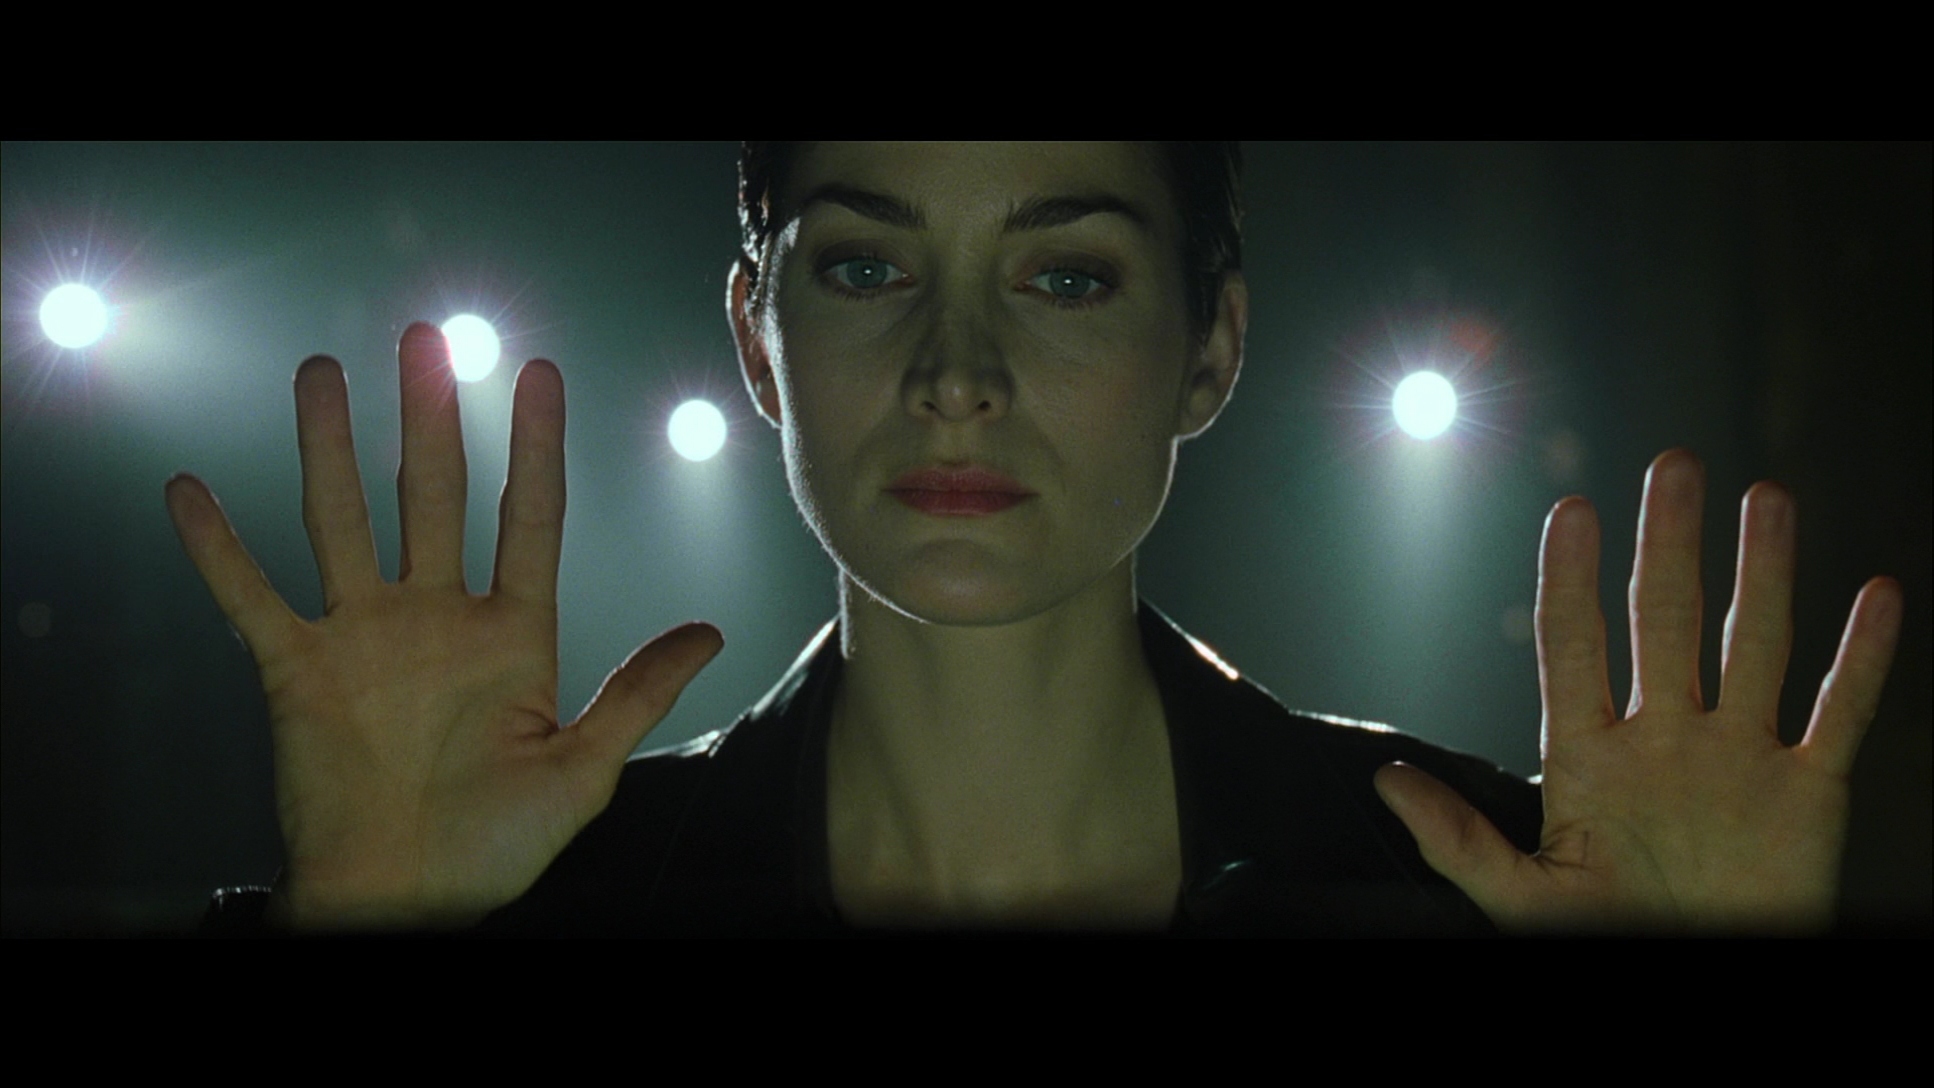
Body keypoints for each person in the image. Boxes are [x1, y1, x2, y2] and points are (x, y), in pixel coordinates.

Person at [170, 142, 1903, 934]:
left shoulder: (1502, 894)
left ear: (1211, 347)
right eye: (866, 264)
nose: (956, 376)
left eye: (1064, 276)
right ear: (758, 339)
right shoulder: (532, 899)